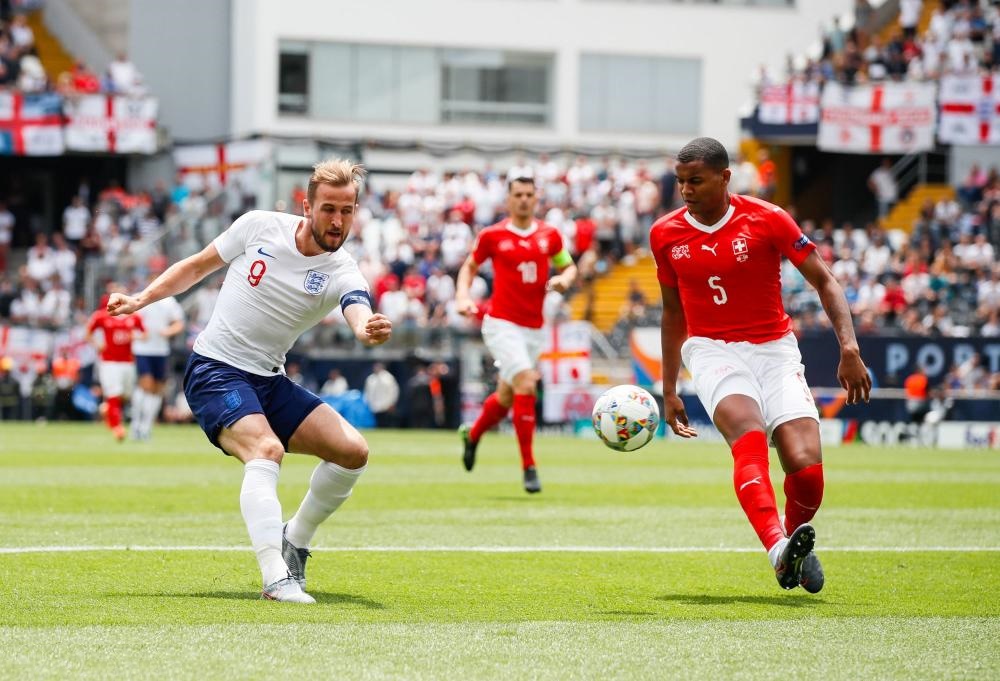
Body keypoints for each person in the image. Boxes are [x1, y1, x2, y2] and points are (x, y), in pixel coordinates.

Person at [107, 158, 392, 603]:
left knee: (353, 452)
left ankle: (294, 540)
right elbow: (198, 266)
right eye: (329, 209)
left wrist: (364, 328)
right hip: (214, 368)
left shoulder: (343, 269)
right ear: (307, 206)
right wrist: (142, 298)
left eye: (347, 210)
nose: (338, 221)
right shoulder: (259, 226)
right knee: (266, 449)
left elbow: (357, 305)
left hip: (268, 380)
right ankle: (276, 578)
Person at [650, 137, 871, 594]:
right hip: (711, 349)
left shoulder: (768, 219)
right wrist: (669, 387)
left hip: (774, 349)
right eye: (680, 181)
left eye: (696, 180)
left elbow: (825, 281)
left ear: (725, 177)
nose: (685, 190)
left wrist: (849, 348)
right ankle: (777, 550)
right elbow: (672, 313)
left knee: (806, 468)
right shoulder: (665, 234)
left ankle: (793, 546)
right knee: (747, 434)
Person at [455, 172, 578, 493]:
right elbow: (469, 266)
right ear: (509, 199)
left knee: (508, 396)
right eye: (518, 194)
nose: (523, 199)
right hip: (501, 323)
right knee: (527, 381)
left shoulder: (549, 235)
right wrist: (463, 297)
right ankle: (529, 467)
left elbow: (568, 265)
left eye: (528, 194)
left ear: (536, 198)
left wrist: (565, 279)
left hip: (534, 329)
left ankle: (473, 434)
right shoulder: (493, 236)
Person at [87, 283, 146, 441]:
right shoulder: (101, 315)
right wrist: (97, 345)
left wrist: (136, 337)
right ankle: (117, 428)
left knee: (125, 395)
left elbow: (145, 335)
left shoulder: (133, 316)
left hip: (128, 361)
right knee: (114, 393)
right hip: (109, 361)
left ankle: (107, 410)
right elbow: (88, 333)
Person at [130, 291, 185, 440]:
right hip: (142, 348)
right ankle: (135, 424)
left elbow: (179, 323)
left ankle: (146, 426)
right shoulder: (138, 297)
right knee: (145, 385)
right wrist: (138, 334)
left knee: (157, 388)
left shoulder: (169, 301)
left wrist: (168, 331)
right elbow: (128, 322)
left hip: (161, 350)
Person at [363, 362, 399, 428]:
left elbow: (393, 391)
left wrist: (392, 403)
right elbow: (367, 392)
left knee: (385, 422)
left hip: (386, 405)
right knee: (376, 423)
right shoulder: (371, 378)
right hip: (374, 405)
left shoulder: (388, 377)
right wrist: (367, 402)